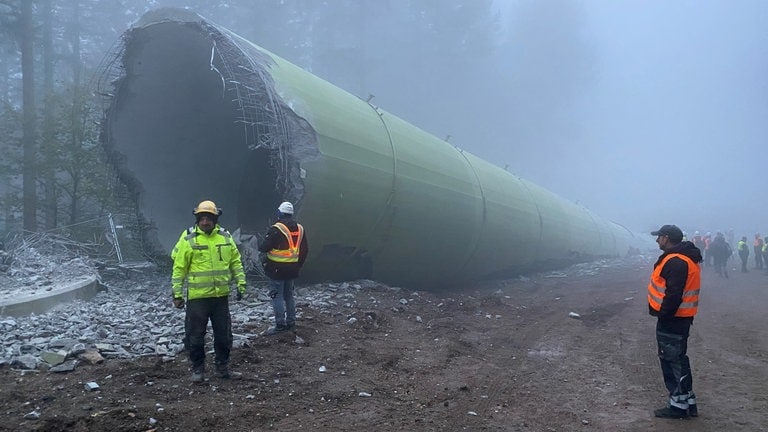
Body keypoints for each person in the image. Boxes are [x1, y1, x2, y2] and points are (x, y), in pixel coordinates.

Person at [171, 200, 246, 383]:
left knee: (224, 336)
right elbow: (179, 267)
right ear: (197, 219)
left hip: (220, 297)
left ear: (215, 219)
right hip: (198, 299)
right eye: (201, 218)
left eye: (208, 218)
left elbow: (235, 262)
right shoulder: (188, 239)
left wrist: (241, 283)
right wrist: (177, 294)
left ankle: (222, 367)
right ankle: (198, 369)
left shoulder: (225, 237)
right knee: (195, 336)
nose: (205, 222)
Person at [648, 224, 702, 419]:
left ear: (667, 238)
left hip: (672, 320)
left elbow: (673, 294)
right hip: (680, 319)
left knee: (672, 361)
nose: (657, 240)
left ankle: (678, 407)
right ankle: (688, 401)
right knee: (678, 359)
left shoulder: (676, 261)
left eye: (659, 237)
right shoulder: (684, 258)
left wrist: (663, 313)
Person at [258, 201, 309, 335]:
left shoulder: (277, 228)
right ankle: (291, 323)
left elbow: (263, 247)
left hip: (276, 270)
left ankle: (280, 325)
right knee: (289, 296)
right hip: (292, 269)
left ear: (279, 213)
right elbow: (305, 250)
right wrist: (298, 265)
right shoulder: (300, 229)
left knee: (277, 296)